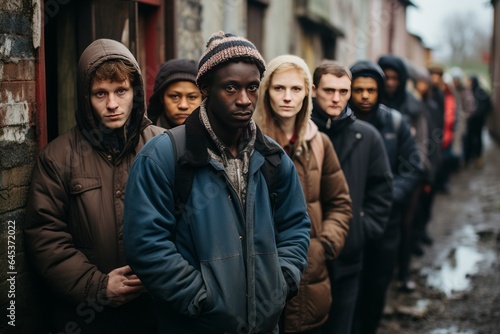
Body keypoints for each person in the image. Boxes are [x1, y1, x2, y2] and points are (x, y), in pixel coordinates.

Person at [123, 31, 311, 334]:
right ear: (206, 88)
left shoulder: (273, 158)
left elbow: (296, 227)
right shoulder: (164, 155)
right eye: (231, 88)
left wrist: (282, 281)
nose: (244, 99)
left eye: (252, 88)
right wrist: (200, 299)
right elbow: (146, 244)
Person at [24, 39, 163, 333]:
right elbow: (45, 236)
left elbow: (190, 220)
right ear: (85, 97)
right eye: (100, 93)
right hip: (89, 319)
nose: (112, 104)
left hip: (159, 312)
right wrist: (97, 286)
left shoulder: (164, 147)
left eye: (121, 91)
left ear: (135, 93)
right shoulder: (57, 158)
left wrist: (164, 275)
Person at [253, 55, 352, 334]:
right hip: (257, 276)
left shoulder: (319, 142)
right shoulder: (247, 143)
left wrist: (323, 246)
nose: (287, 97)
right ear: (266, 90)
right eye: (279, 88)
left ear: (307, 92)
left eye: (296, 89)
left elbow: (341, 204)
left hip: (310, 278)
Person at [308, 61, 393, 334]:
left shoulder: (367, 137)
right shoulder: (302, 134)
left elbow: (382, 190)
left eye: (344, 91)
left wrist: (361, 229)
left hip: (348, 255)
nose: (337, 98)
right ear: (313, 90)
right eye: (329, 90)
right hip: (304, 256)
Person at [348, 60, 422, 334]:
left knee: (377, 285)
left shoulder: (395, 122)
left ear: (380, 91)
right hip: (349, 219)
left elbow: (414, 166)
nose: (365, 96)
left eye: (371, 90)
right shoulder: (338, 121)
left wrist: (390, 198)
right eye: (358, 90)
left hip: (386, 221)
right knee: (347, 285)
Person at [377, 55, 427, 293]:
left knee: (406, 226)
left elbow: (422, 142)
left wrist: (418, 174)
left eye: (395, 77)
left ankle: (404, 271)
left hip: (406, 176)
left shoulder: (413, 105)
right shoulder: (373, 100)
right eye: (386, 76)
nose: (390, 82)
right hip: (378, 174)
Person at [147, 58, 202, 129]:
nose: (183, 106)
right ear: (161, 98)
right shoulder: (144, 136)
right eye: (174, 97)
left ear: (202, 98)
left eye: (192, 97)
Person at [464, 75, 492, 168]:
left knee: (478, 138)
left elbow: (487, 105)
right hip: (469, 121)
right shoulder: (468, 92)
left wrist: (477, 113)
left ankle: (478, 157)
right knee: (468, 139)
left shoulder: (480, 92)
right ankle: (468, 158)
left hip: (478, 121)